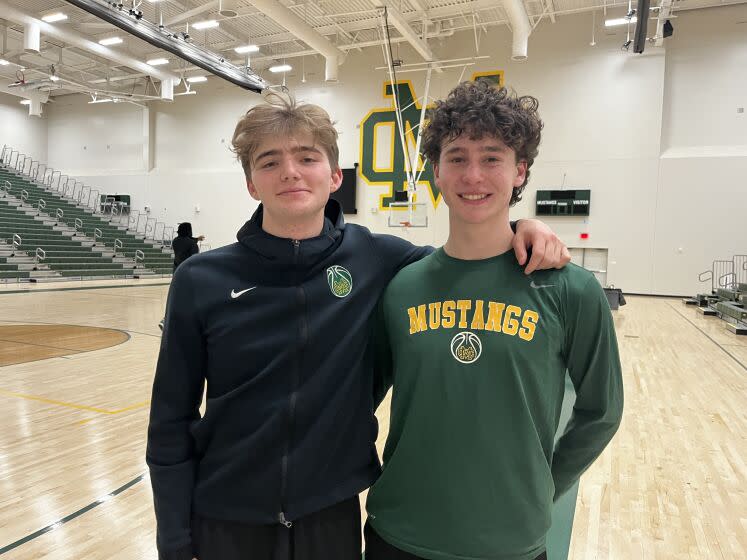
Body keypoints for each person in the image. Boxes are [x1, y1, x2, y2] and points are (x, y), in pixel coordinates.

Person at [146, 93, 571, 560]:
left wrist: (524, 226)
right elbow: (170, 422)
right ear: (252, 184)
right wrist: (173, 540)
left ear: (334, 176)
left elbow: (467, 259)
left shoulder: (378, 259)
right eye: (270, 162)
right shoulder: (200, 279)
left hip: (331, 517)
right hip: (225, 519)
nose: (290, 171)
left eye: (306, 157)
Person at [364, 81, 624, 560]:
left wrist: (544, 485)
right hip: (398, 532)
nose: (473, 175)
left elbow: (601, 411)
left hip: (510, 540)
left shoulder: (570, 289)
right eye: (457, 157)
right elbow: (361, 398)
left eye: (492, 157)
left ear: (519, 171)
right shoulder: (401, 288)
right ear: (436, 172)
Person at [159, 223, 205, 331]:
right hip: (189, 275)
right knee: (190, 300)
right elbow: (195, 259)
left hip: (177, 272)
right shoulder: (192, 244)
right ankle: (168, 320)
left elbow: (185, 242)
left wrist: (196, 239)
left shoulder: (175, 241)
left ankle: (168, 320)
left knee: (178, 298)